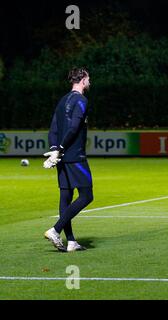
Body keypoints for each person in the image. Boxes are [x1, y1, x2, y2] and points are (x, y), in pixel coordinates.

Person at [43, 67, 94, 252]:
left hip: (62, 158)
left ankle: (71, 241)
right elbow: (73, 128)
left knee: (65, 196)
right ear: (82, 80)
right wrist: (62, 149)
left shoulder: (62, 100)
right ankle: (56, 230)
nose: (90, 81)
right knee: (87, 195)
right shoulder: (81, 100)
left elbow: (53, 129)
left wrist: (55, 150)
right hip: (75, 157)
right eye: (88, 78)